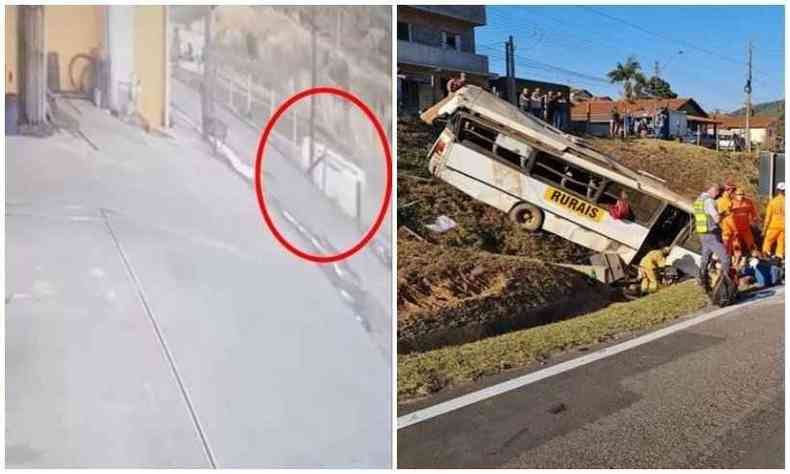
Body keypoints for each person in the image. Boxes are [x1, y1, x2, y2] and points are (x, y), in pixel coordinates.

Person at [694, 183, 732, 286]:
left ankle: (702, 279)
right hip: (710, 234)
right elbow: (716, 218)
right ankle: (724, 283)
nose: (717, 196)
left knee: (705, 257)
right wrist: (724, 214)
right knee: (726, 257)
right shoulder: (709, 201)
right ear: (714, 190)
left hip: (702, 233)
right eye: (718, 193)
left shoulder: (699, 199)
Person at [729, 187, 759, 254]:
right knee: (736, 245)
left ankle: (755, 255)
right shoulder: (730, 202)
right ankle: (736, 259)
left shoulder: (748, 202)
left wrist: (754, 219)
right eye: (739, 194)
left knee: (751, 243)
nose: (741, 196)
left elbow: (753, 212)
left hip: (746, 228)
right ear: (735, 195)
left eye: (742, 194)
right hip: (735, 229)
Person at [762, 182, 785, 259]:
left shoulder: (773, 202)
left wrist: (764, 229)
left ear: (778, 190)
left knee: (768, 241)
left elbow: (768, 217)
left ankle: (766, 256)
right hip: (784, 227)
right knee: (781, 243)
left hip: (773, 226)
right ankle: (779, 257)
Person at [716, 181, 737, 254]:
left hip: (728, 231)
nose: (733, 193)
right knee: (724, 253)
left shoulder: (728, 201)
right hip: (725, 231)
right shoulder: (722, 201)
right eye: (732, 190)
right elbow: (722, 217)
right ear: (727, 190)